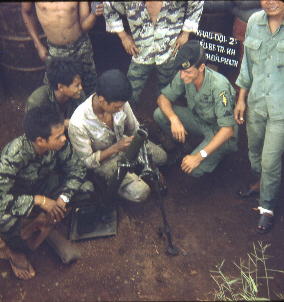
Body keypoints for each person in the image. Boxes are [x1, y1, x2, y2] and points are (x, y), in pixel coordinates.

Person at [0, 106, 94, 280]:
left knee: (85, 189)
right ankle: (15, 251)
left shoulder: (59, 145)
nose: (64, 139)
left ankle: (42, 222)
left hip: (44, 186)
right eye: (58, 136)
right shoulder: (12, 157)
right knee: (4, 221)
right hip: (19, 199)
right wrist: (38, 201)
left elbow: (77, 168)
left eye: (63, 133)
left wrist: (62, 199)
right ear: (41, 140)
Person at [68, 69, 167, 203]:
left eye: (121, 106)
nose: (121, 109)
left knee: (162, 157)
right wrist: (115, 148)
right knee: (142, 192)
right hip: (105, 162)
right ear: (102, 100)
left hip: (125, 145)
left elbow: (134, 129)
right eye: (116, 107)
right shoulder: (78, 123)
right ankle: (111, 184)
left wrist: (149, 163)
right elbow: (87, 162)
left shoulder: (120, 102)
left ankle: (137, 169)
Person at [234, 0, 284, 233]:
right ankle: (262, 184)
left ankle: (267, 207)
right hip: (255, 103)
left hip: (280, 110)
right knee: (254, 151)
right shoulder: (254, 21)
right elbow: (247, 64)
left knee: (270, 159)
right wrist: (242, 99)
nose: (270, 2)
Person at [154, 40, 238, 177]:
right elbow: (162, 99)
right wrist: (174, 119)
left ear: (201, 67)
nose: (182, 76)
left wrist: (199, 156)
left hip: (220, 132)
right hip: (200, 121)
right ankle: (184, 147)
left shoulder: (219, 87)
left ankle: (217, 153)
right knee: (160, 114)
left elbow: (228, 130)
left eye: (187, 72)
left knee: (193, 169)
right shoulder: (185, 72)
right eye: (181, 71)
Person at [103, 1, 204, 107]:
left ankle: (162, 115)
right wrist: (123, 36)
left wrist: (186, 33)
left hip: (169, 50)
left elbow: (197, 2)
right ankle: (127, 117)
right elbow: (108, 5)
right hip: (141, 51)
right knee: (129, 92)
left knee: (167, 92)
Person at [21, 2, 103, 96]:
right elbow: (26, 12)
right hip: (56, 50)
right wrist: (38, 45)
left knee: (90, 85)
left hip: (81, 46)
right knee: (56, 91)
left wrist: (94, 14)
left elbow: (84, 26)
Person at [25, 57, 85, 129]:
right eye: (77, 85)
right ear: (61, 87)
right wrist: (63, 124)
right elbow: (34, 129)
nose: (81, 88)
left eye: (80, 84)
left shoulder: (78, 95)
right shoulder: (37, 102)